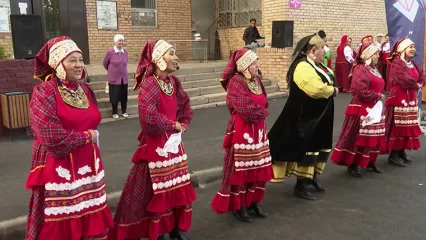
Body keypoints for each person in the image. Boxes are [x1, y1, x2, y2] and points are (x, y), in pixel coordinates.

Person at [26, 36, 113, 240]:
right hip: (60, 165)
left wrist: (86, 137)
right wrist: (85, 137)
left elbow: (91, 119)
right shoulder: (44, 92)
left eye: (80, 60)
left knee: (89, 213)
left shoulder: (86, 90)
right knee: (63, 220)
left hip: (88, 165)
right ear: (58, 64)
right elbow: (51, 137)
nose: (78, 65)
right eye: (72, 60)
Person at [108, 40, 196, 240]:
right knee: (153, 191)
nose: (176, 57)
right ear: (159, 59)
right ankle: (156, 230)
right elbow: (147, 117)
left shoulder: (174, 83)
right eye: (171, 53)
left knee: (176, 186)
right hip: (154, 147)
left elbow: (184, 105)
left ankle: (174, 227)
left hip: (173, 145)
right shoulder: (149, 84)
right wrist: (172, 124)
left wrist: (183, 122)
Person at [268, 33, 338, 200]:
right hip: (305, 117)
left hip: (320, 116)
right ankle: (301, 184)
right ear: (313, 50)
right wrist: (332, 91)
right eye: (322, 48)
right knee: (307, 148)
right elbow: (315, 89)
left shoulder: (318, 65)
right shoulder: (302, 66)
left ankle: (312, 177)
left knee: (319, 145)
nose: (324, 51)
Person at [211, 48, 273, 222]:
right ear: (245, 66)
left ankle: (252, 201)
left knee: (257, 167)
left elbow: (265, 101)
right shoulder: (236, 82)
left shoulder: (257, 81)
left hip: (258, 130)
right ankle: (238, 206)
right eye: (254, 63)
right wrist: (263, 113)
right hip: (243, 129)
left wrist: (262, 112)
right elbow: (246, 109)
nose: (257, 65)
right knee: (241, 170)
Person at [331, 43, 386, 178]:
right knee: (359, 137)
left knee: (373, 136)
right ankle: (353, 163)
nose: (378, 56)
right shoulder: (361, 69)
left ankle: (369, 160)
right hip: (362, 107)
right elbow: (359, 89)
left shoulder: (374, 69)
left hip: (375, 107)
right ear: (368, 55)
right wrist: (376, 95)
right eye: (375, 54)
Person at [382, 38, 425, 167]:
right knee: (398, 128)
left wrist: (419, 83)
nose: (413, 49)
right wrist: (417, 84)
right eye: (410, 47)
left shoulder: (414, 64)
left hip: (410, 99)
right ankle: (394, 154)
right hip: (399, 99)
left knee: (407, 126)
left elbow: (423, 76)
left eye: (414, 46)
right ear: (402, 49)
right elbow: (404, 80)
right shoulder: (396, 63)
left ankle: (401, 152)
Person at [103, 34, 129, 119]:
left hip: (123, 78)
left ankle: (124, 111)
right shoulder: (110, 52)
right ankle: (115, 112)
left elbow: (125, 63)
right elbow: (105, 63)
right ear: (115, 42)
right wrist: (111, 71)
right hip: (114, 78)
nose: (121, 42)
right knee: (114, 95)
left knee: (123, 95)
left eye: (122, 41)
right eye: (119, 41)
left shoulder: (125, 52)